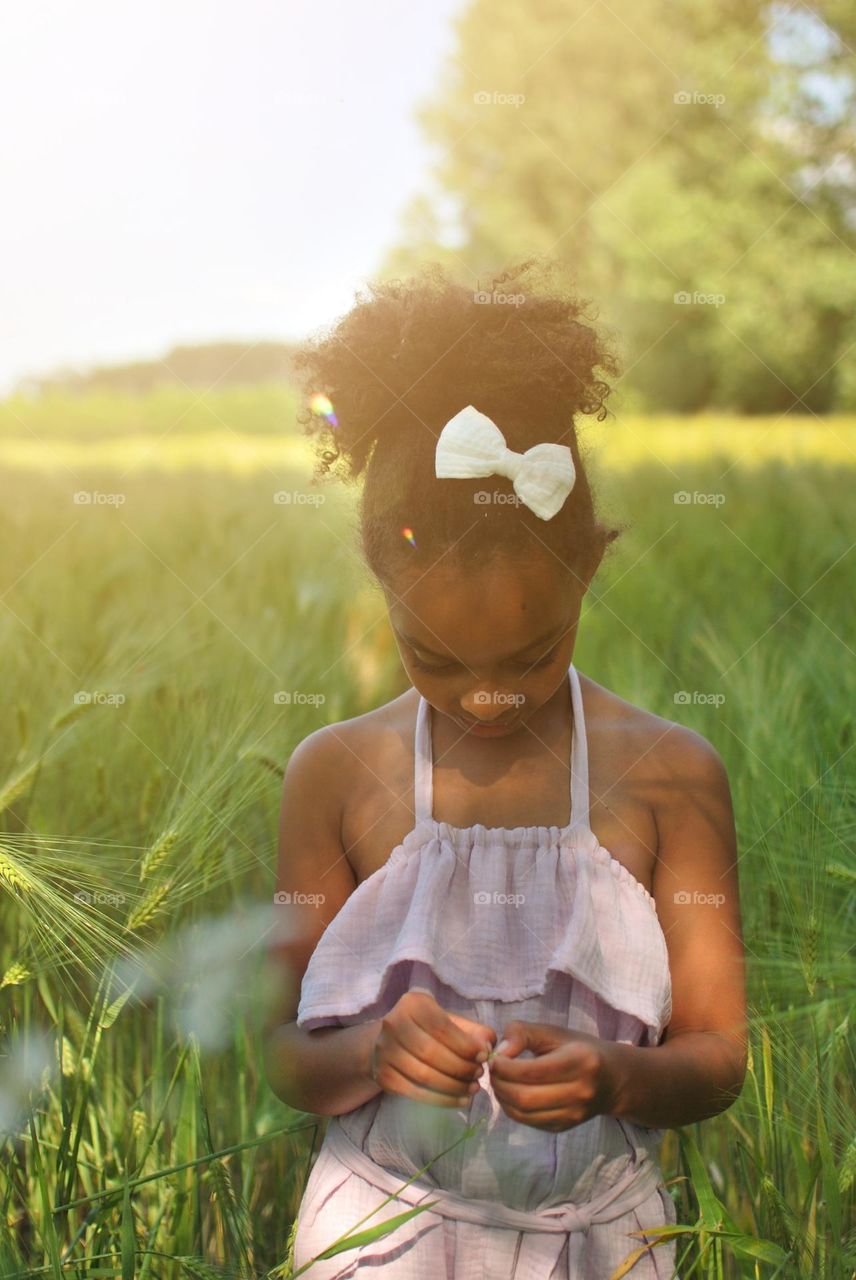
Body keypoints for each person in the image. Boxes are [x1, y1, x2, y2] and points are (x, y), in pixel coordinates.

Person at [263, 259, 748, 1278]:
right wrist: (368, 1051)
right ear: (380, 588)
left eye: (532, 655)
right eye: (435, 658)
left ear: (590, 568)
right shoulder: (333, 774)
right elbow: (280, 1052)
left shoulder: (670, 775)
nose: (486, 697)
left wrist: (617, 1075)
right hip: (381, 1233)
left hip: (598, 1239)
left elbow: (716, 1055)